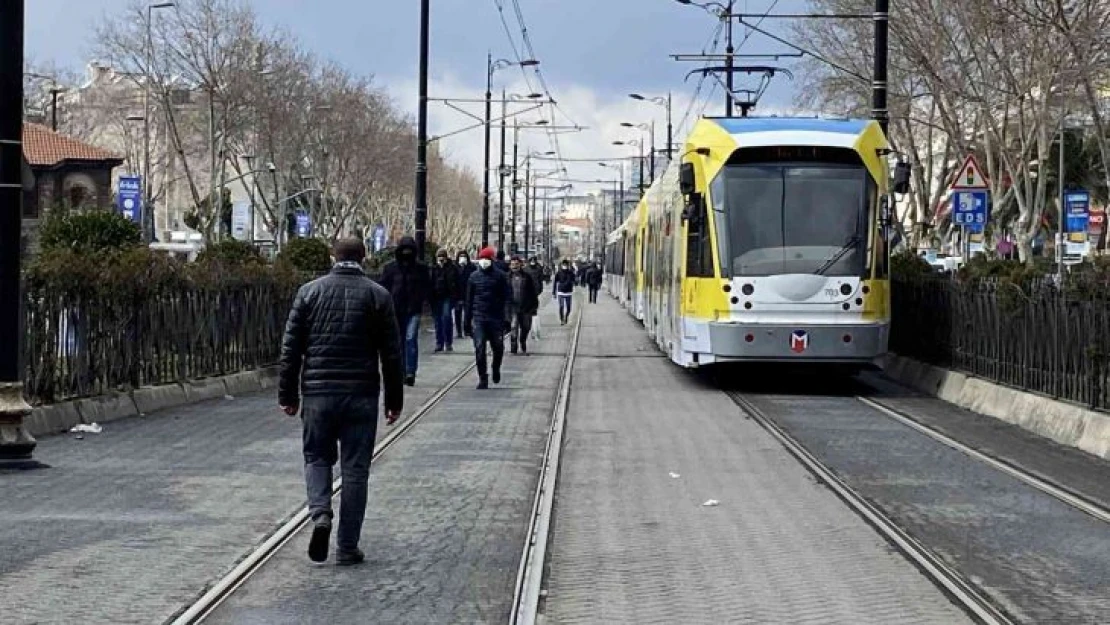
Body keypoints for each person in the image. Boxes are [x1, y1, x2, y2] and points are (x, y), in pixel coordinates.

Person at [279, 238, 404, 566]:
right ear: (364, 258)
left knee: (317, 458)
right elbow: (392, 355)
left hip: (318, 395)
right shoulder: (378, 295)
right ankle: (347, 546)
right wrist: (394, 401)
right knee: (355, 471)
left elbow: (291, 350)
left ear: (334, 257)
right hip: (361, 395)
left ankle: (320, 513)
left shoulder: (309, 292)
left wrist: (288, 396)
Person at [376, 236, 430, 386]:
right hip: (395, 309)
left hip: (414, 309)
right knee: (398, 341)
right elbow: (383, 287)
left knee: (410, 338)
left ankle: (410, 371)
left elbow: (427, 287)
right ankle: (401, 370)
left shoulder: (421, 268)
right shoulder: (390, 268)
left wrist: (423, 302)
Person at [466, 246, 511, 389]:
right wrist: (467, 321)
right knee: (479, 348)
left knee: (498, 347)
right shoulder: (473, 277)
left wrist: (507, 319)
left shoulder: (501, 276)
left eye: (487, 259)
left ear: (492, 260)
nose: (484, 261)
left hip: (496, 318)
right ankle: (482, 377)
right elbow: (469, 300)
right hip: (479, 317)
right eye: (482, 259)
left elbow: (507, 298)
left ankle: (496, 367)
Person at [507, 256, 539, 355]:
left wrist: (534, 307)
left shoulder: (527, 277)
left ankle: (523, 340)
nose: (514, 266)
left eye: (516, 264)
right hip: (513, 308)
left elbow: (533, 292)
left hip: (526, 307)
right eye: (512, 264)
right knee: (513, 327)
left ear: (520, 265)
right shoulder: (506, 277)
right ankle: (513, 348)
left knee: (526, 327)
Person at [430, 249, 459, 352]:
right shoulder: (433, 269)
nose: (441, 259)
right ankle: (439, 343)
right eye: (439, 257)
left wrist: (456, 297)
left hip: (447, 297)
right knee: (438, 321)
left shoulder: (452, 268)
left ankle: (448, 342)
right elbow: (431, 283)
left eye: (442, 257)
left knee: (446, 318)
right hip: (436, 297)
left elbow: (455, 282)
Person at [454, 250, 475, 340]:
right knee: (457, 313)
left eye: (464, 256)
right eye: (461, 256)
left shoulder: (471, 267)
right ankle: (459, 331)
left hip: (468, 294)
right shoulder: (455, 267)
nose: (462, 258)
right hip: (458, 293)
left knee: (468, 313)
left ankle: (467, 329)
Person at [553, 259, 576, 325]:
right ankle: (562, 319)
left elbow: (574, 280)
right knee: (561, 306)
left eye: (566, 265)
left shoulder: (570, 272)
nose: (565, 266)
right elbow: (555, 282)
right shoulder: (559, 272)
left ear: (568, 265)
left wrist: (575, 280)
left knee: (569, 308)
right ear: (562, 265)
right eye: (564, 265)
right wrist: (554, 292)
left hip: (568, 292)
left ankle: (566, 316)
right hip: (560, 292)